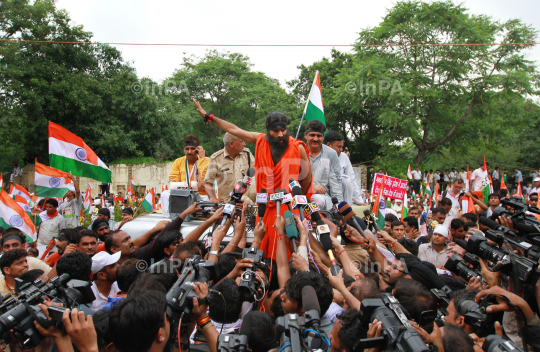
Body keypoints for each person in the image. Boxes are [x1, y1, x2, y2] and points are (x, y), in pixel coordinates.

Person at [193, 99, 313, 259]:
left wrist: (294, 201)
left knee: (289, 246)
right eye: (275, 131)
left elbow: (306, 178)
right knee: (263, 246)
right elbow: (234, 129)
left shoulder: (297, 147)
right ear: (268, 130)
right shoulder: (260, 141)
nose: (280, 135)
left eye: (283, 130)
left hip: (288, 206)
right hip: (265, 206)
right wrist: (209, 117)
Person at [204, 132, 256, 204]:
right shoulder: (216, 158)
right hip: (229, 201)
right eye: (241, 141)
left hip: (247, 196)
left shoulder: (246, 154)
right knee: (244, 200)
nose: (244, 144)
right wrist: (212, 198)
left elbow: (256, 173)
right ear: (231, 144)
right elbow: (208, 183)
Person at [303, 120, 342, 210]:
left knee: (318, 199)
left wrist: (338, 207)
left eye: (319, 136)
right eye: (312, 135)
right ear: (306, 135)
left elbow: (336, 181)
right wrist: (313, 187)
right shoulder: (298, 152)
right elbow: (293, 180)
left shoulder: (331, 153)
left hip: (324, 199)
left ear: (323, 137)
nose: (315, 139)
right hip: (302, 195)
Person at [324, 131, 363, 204]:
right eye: (339, 147)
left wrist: (359, 201)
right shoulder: (319, 156)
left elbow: (352, 179)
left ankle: (346, 210)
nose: (341, 149)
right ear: (329, 145)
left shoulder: (343, 156)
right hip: (324, 193)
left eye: (342, 147)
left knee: (345, 180)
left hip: (342, 194)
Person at [169, 134, 210, 201]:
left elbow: (206, 182)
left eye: (192, 149)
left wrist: (202, 159)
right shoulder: (178, 162)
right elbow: (172, 185)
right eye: (187, 149)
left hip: (202, 196)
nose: (189, 152)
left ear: (198, 149)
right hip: (183, 195)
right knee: (165, 194)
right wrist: (195, 185)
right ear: (184, 150)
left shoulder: (206, 160)